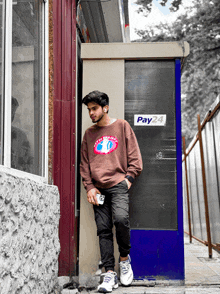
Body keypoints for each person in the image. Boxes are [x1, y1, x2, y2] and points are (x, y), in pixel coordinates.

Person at [80, 90, 142, 293]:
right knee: (103, 229)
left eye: (94, 108)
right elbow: (85, 164)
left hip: (118, 184)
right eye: (88, 109)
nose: (91, 113)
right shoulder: (88, 134)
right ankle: (109, 273)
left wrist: (128, 179)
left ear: (105, 107)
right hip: (98, 188)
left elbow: (135, 158)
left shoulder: (122, 126)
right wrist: (89, 187)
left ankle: (124, 260)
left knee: (121, 220)